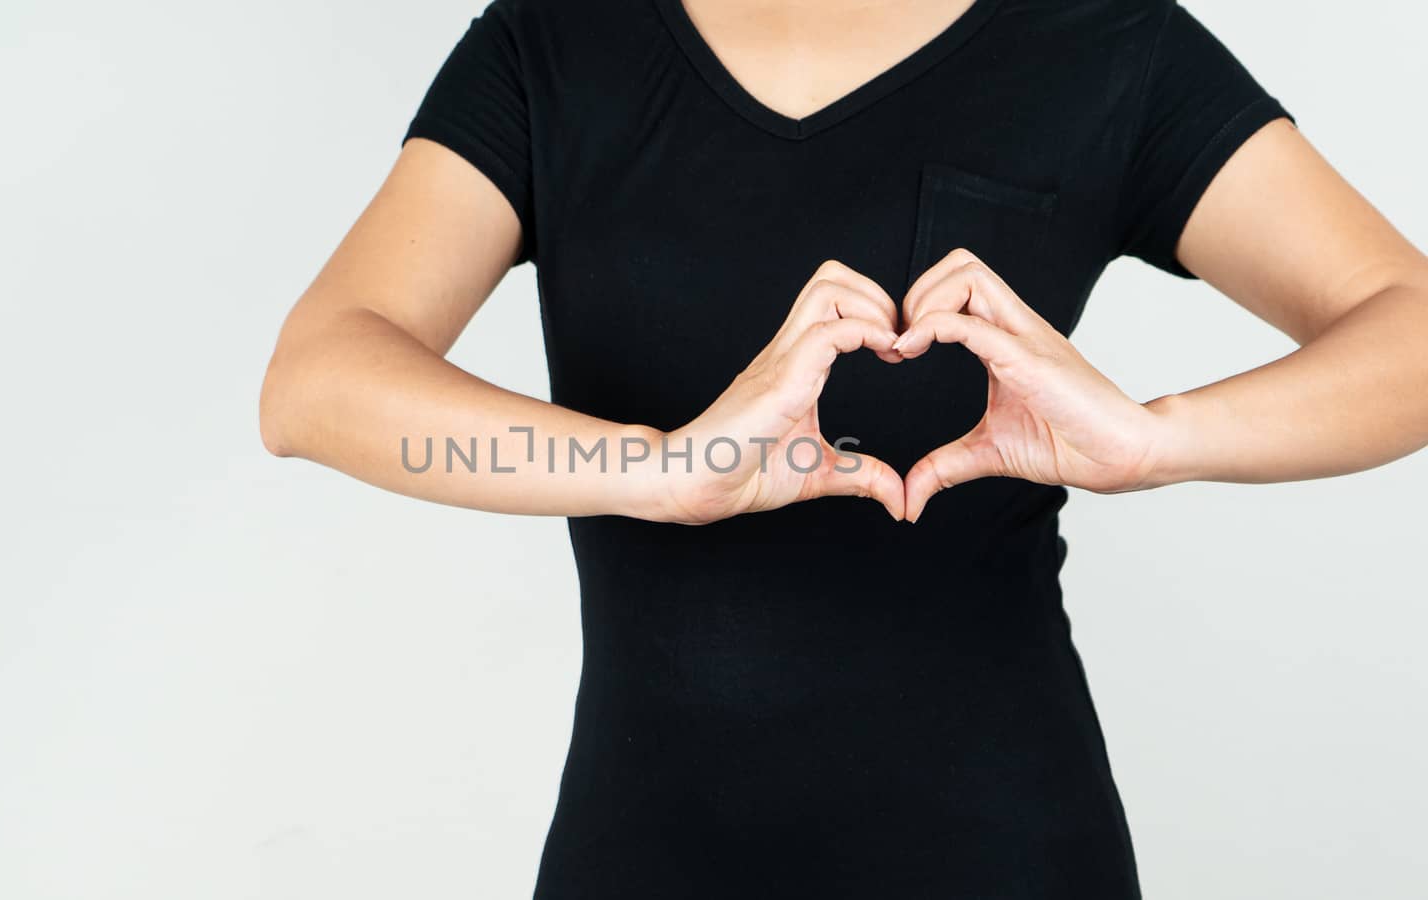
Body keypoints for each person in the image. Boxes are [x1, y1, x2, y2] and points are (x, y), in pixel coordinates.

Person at [258, 0, 1428, 895]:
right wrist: (661, 471)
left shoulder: (1099, 41)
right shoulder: (557, 39)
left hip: (1001, 850)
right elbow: (315, 384)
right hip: (641, 850)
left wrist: (1156, 440)